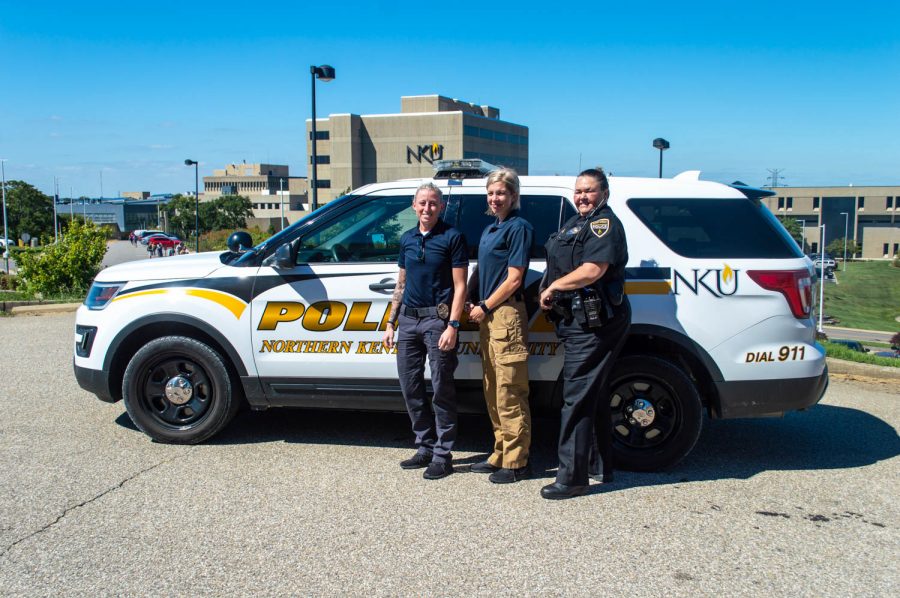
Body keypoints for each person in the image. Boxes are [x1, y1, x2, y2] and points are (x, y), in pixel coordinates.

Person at [538, 167, 631, 500]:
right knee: (591, 393)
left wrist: (554, 288)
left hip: (594, 322)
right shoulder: (575, 222)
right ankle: (598, 466)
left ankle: (572, 478)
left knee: (575, 398)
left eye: (589, 190)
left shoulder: (603, 224)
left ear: (604, 192)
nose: (581, 196)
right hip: (576, 319)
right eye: (578, 191)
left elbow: (594, 269)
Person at [382, 182, 468, 480]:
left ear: (440, 206)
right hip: (408, 321)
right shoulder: (406, 239)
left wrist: (453, 326)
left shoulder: (452, 237)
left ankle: (443, 455)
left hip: (437, 322)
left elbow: (460, 287)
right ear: (413, 205)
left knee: (442, 389)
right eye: (422, 203)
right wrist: (391, 322)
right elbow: (401, 283)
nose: (427, 208)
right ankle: (425, 445)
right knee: (410, 387)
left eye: (433, 203)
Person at [466, 168, 534, 484]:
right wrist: (467, 300)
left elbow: (515, 278)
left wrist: (485, 306)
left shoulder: (518, 228)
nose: (495, 199)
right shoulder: (492, 229)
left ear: (514, 196)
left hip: (505, 315)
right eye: (491, 193)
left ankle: (517, 462)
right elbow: (483, 270)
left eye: (502, 193)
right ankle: (500, 452)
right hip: (488, 316)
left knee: (510, 390)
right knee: (492, 388)